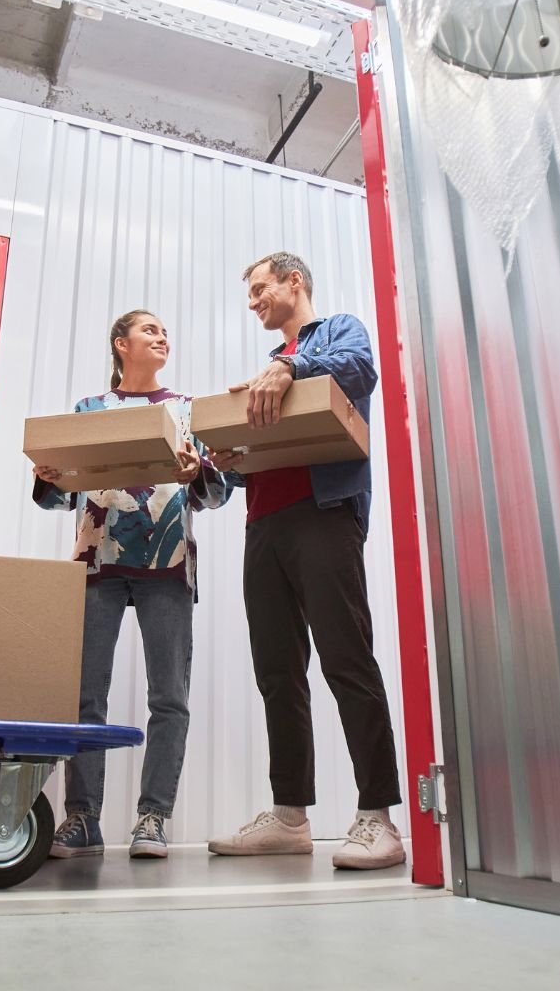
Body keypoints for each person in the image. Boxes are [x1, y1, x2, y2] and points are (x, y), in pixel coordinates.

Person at [205, 252, 405, 871]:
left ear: (296, 282)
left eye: (260, 288)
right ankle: (290, 816)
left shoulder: (336, 331)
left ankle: (379, 818)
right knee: (277, 673)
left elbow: (359, 370)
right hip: (263, 524)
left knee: (346, 660)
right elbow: (261, 456)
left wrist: (289, 365)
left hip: (324, 517)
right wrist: (224, 463)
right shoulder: (269, 372)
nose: (253, 301)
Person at [32, 309, 231, 860]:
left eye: (166, 330)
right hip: (99, 563)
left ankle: (153, 819)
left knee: (169, 698)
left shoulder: (187, 410)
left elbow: (216, 495)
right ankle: (82, 818)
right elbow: (60, 497)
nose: (163, 336)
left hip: (167, 564)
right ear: (121, 344)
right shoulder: (89, 411)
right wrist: (48, 476)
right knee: (84, 697)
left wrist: (199, 475)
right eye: (150, 330)